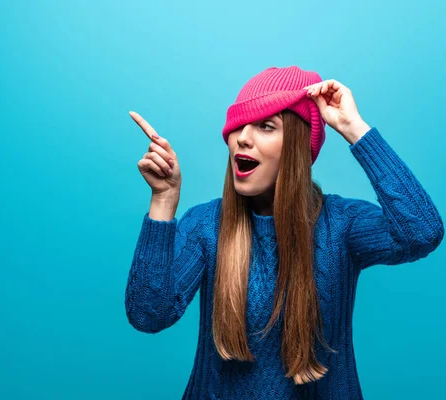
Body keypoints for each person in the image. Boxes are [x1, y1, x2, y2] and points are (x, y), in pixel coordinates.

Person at [124, 65, 444, 399]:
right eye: (239, 125)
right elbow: (148, 315)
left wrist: (354, 129)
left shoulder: (342, 225)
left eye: (266, 126)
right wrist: (163, 200)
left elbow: (422, 232)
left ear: (297, 146)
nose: (243, 137)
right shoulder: (206, 225)